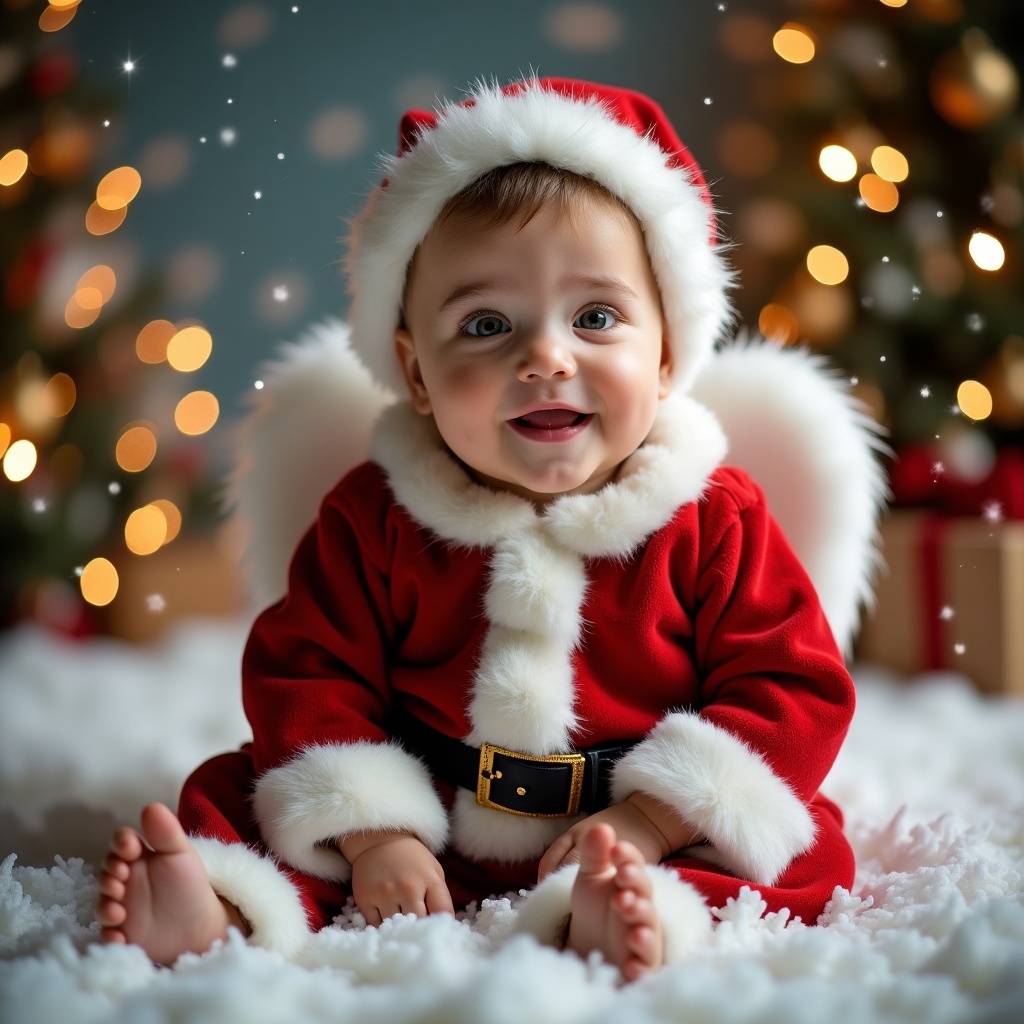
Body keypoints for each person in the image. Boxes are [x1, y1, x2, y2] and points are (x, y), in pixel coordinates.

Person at [96, 78, 863, 981]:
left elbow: (792, 686)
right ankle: (213, 910)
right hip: (428, 812)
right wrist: (377, 832)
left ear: (664, 358)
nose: (546, 356)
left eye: (597, 317)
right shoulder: (374, 514)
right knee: (237, 791)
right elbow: (308, 670)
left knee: (801, 844)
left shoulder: (711, 517)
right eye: (487, 324)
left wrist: (652, 821)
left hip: (635, 818)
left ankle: (634, 908)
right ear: (417, 377)